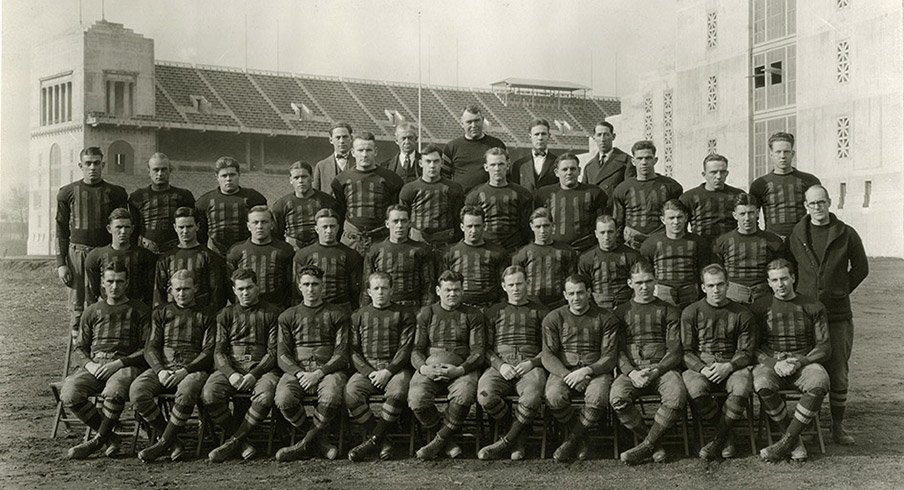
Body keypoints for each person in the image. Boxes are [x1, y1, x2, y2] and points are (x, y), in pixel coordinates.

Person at [787, 184, 868, 445]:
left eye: (821, 202)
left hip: (837, 315)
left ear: (829, 202)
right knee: (807, 365)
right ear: (805, 207)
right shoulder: (797, 234)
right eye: (812, 204)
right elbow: (788, 267)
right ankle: (806, 421)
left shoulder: (846, 233)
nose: (817, 208)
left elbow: (861, 268)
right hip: (805, 315)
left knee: (838, 369)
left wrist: (839, 290)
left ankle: (837, 425)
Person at [60, 262, 150, 459]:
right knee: (69, 393)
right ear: (102, 282)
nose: (115, 286)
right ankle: (110, 437)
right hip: (96, 365)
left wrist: (119, 363)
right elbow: (80, 348)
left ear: (127, 283)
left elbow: (146, 349)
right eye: (110, 281)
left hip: (124, 365)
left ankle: (97, 440)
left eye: (119, 281)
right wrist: (90, 365)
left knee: (113, 392)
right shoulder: (92, 311)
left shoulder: (140, 310)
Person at [751, 259, 831, 462]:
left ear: (793, 278)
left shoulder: (813, 305)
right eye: (775, 280)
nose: (780, 284)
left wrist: (798, 362)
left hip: (802, 362)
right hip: (773, 362)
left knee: (820, 380)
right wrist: (772, 363)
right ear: (768, 283)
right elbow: (752, 347)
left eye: (784, 278)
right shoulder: (760, 307)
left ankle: (786, 441)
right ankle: (794, 442)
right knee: (761, 383)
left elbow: (824, 346)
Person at [131, 270, 215, 462]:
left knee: (187, 391)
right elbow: (150, 347)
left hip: (192, 369)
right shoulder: (161, 313)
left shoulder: (207, 313)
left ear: (196, 289)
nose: (182, 293)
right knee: (137, 391)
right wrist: (160, 371)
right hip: (165, 368)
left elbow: (209, 351)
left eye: (186, 288)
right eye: (177, 289)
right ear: (170, 290)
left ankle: (162, 443)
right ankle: (173, 440)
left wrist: (185, 371)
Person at [611, 261, 687, 465]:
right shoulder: (620, 312)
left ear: (656, 282)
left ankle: (646, 446)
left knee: (676, 395)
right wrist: (631, 372)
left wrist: (657, 370)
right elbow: (617, 351)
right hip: (632, 370)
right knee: (617, 398)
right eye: (639, 282)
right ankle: (653, 443)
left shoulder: (669, 310)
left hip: (661, 368)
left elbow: (675, 350)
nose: (644, 287)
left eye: (648, 281)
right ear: (630, 283)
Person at [204, 268, 282, 463]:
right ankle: (241, 441)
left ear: (258, 287)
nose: (245, 293)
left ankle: (233, 442)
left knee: (265, 395)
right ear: (234, 290)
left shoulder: (272, 313)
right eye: (240, 289)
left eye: (249, 288)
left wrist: (254, 374)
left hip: (261, 367)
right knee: (209, 393)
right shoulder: (225, 314)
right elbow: (219, 350)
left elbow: (273, 351)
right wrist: (230, 374)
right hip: (232, 366)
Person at [541, 274, 619, 463]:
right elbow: (548, 355)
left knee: (598, 396)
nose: (577, 298)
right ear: (565, 295)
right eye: (572, 293)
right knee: (553, 396)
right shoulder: (553, 318)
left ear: (589, 293)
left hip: (595, 370)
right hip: (565, 370)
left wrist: (587, 371)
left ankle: (571, 440)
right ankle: (582, 438)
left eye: (581, 293)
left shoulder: (605, 317)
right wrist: (567, 375)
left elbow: (609, 356)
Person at [409, 270, 487, 460]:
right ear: (438, 290)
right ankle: (447, 441)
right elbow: (416, 349)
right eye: (448, 290)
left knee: (464, 395)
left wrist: (460, 370)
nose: (452, 294)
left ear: (462, 290)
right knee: (417, 399)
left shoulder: (473, 314)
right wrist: (423, 368)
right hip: (430, 367)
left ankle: (437, 442)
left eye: (457, 290)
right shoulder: (426, 313)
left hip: (460, 368)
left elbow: (478, 351)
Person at [274, 265, 349, 461]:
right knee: (283, 398)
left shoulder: (337, 313)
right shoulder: (287, 316)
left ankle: (303, 445)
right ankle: (319, 440)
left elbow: (341, 353)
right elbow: (282, 353)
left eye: (315, 284)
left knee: (332, 394)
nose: (310, 289)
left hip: (328, 370)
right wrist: (299, 373)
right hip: (298, 370)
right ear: (299, 287)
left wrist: (319, 373)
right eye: (306, 284)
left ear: (322, 286)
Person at [680, 264, 755, 460]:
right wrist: (702, 369)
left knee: (741, 386)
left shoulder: (741, 312)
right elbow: (686, 351)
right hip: (702, 365)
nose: (716, 290)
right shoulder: (691, 312)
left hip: (732, 364)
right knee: (694, 387)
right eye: (711, 285)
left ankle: (717, 438)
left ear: (728, 285)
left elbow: (747, 351)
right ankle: (725, 434)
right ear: (703, 287)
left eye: (720, 284)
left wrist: (729, 366)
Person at [476, 266, 549, 460]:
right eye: (511, 285)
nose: (516, 288)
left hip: (530, 365)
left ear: (527, 283)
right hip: (501, 365)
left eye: (519, 283)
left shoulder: (541, 312)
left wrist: (532, 363)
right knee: (484, 395)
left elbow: (550, 349)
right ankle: (517, 432)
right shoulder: (493, 312)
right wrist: (500, 365)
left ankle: (509, 441)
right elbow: (484, 348)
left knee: (532, 396)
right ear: (503, 286)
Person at [56, 147, 129, 333]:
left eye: (96, 163)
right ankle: (79, 350)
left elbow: (122, 226)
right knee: (78, 304)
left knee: (109, 299)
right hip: (77, 254)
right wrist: (61, 264)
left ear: (103, 165)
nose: (92, 167)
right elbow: (61, 229)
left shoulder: (116, 193)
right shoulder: (68, 192)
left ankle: (105, 345)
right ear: (81, 165)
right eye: (88, 163)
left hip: (106, 252)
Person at [344, 272, 417, 462]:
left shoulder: (404, 314)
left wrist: (388, 371)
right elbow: (353, 351)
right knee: (351, 393)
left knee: (399, 391)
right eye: (376, 288)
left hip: (395, 369)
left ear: (392, 290)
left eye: (385, 288)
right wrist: (370, 372)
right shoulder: (358, 316)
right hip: (367, 370)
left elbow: (405, 348)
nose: (381, 292)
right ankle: (383, 440)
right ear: (368, 291)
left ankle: (373, 440)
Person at [331, 132, 405, 256]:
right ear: (353, 152)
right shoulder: (341, 180)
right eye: (360, 150)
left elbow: (395, 210)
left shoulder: (391, 179)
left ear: (375, 151)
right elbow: (340, 211)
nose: (364, 155)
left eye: (368, 150)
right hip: (351, 241)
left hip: (381, 240)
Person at [713, 193, 784, 304]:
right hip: (733, 297)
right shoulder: (723, 242)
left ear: (757, 213)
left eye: (751, 213)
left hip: (764, 296)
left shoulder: (773, 241)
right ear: (735, 215)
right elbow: (717, 272)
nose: (747, 218)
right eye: (742, 214)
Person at [611, 140, 683, 249]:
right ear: (633, 161)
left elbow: (679, 218)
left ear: (655, 160)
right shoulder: (622, 189)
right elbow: (618, 222)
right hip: (633, 244)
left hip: (663, 243)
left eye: (648, 158)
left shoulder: (671, 186)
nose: (644, 162)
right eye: (639, 158)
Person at [154, 207, 227, 314]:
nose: (185, 231)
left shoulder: (209, 257)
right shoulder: (166, 259)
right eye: (181, 227)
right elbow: (159, 294)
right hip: (172, 318)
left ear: (197, 226)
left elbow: (217, 295)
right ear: (175, 227)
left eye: (189, 226)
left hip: (202, 317)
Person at [640, 200, 710, 309]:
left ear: (686, 217)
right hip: (662, 294)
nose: (676, 222)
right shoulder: (651, 244)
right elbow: (645, 273)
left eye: (679, 217)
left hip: (690, 294)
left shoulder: (698, 242)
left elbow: (704, 271)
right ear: (663, 220)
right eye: (671, 218)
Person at [749, 132, 821, 239]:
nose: (782, 156)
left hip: (803, 239)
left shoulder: (809, 180)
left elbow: (819, 210)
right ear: (771, 155)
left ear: (793, 153)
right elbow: (752, 215)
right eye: (778, 152)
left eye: (786, 152)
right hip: (772, 241)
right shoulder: (759, 184)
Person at [364, 205, 435, 308]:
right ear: (387, 224)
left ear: (409, 223)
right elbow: (366, 285)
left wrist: (425, 313)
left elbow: (428, 286)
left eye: (404, 221)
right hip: (383, 308)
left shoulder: (421, 250)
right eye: (395, 221)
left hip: (412, 308)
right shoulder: (375, 250)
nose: (400, 225)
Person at [534, 153, 608, 252]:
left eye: (573, 169)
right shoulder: (544, 194)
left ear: (579, 171)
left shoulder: (594, 193)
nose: (569, 173)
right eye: (564, 169)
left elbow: (603, 223)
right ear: (556, 172)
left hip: (586, 250)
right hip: (554, 251)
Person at [195, 156, 267, 256]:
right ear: (217, 177)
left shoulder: (254, 198)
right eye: (224, 176)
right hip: (217, 254)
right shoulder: (204, 202)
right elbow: (200, 236)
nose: (228, 179)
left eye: (232, 175)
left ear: (239, 175)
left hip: (247, 253)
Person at [293, 208, 364, 310]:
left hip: (342, 308)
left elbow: (355, 290)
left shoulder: (351, 255)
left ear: (338, 228)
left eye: (332, 226)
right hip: (312, 308)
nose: (329, 231)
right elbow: (296, 290)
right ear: (317, 229)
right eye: (324, 227)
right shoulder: (303, 255)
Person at [464, 147, 533, 253]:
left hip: (514, 250)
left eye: (501, 164)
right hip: (485, 250)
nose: (497, 169)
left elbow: (527, 228)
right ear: (486, 167)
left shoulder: (522, 194)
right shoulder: (474, 195)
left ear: (508, 165)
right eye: (493, 165)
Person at [84, 208, 156, 308]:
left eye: (127, 227)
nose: (123, 231)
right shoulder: (95, 256)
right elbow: (92, 293)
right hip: (106, 310)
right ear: (109, 229)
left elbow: (149, 292)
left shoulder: (145, 256)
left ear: (132, 229)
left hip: (136, 311)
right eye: (119, 227)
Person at [226, 206, 295, 309]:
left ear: (272, 225)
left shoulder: (285, 250)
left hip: (277, 308)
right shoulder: (236, 251)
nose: (259, 226)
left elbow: (291, 283)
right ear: (248, 226)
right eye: (255, 222)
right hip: (245, 310)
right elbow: (229, 284)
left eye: (264, 222)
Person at [442, 205, 509, 309]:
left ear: (484, 226)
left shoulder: (497, 252)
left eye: (477, 226)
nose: (473, 230)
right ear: (462, 227)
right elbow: (442, 284)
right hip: (459, 309)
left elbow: (503, 286)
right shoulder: (450, 252)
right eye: (469, 226)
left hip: (489, 308)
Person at [398, 144, 465, 246]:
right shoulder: (409, 189)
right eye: (428, 161)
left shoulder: (453, 188)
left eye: (436, 161)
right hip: (417, 242)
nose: (432, 165)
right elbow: (403, 217)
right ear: (420, 163)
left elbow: (458, 219)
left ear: (442, 163)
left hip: (445, 243)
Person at [128, 152, 196, 254]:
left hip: (175, 251)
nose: (160, 174)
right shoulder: (137, 197)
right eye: (156, 170)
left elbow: (191, 225)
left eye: (164, 169)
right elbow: (133, 229)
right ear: (149, 171)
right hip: (145, 251)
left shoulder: (183, 196)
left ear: (170, 170)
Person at [511, 207, 578, 308]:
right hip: (531, 306)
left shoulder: (566, 251)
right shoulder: (521, 254)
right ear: (531, 226)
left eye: (546, 226)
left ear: (553, 226)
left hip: (559, 305)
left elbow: (572, 279)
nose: (542, 230)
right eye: (538, 226)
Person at [271, 161, 342, 251]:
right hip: (293, 251)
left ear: (312, 178)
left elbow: (338, 228)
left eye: (304, 177)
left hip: (321, 250)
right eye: (296, 178)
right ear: (290, 180)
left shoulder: (327, 202)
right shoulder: (281, 205)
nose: (300, 181)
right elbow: (277, 235)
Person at [578, 215, 641, 311]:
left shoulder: (631, 255)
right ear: (596, 234)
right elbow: (584, 287)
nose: (606, 237)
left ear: (617, 232)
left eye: (610, 232)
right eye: (602, 232)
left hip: (627, 305)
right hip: (598, 307)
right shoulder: (587, 258)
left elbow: (639, 282)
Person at [678, 153, 744, 243]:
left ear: (727, 173)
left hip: (731, 246)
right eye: (713, 172)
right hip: (700, 247)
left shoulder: (737, 195)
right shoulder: (689, 197)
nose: (718, 176)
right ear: (704, 174)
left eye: (722, 172)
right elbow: (681, 228)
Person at [443, 105, 507, 193]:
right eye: (469, 122)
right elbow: (444, 178)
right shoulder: (451, 147)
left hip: (489, 200)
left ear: (483, 120)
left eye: (477, 121)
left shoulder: (496, 145)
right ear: (462, 123)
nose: (474, 125)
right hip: (461, 202)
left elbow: (506, 174)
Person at [581, 121, 635, 197]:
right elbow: (584, 194)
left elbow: (630, 192)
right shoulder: (589, 167)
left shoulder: (626, 161)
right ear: (594, 138)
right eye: (599, 135)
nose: (602, 139)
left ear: (613, 136)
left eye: (606, 134)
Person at [511, 119, 558, 193]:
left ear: (549, 136)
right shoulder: (519, 165)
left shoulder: (558, 162)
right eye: (536, 134)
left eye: (543, 134)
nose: (540, 138)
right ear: (530, 136)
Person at [313, 122, 355, 195]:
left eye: (345, 137)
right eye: (338, 137)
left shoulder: (359, 164)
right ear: (331, 140)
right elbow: (315, 195)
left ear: (351, 138)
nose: (341, 141)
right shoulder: (321, 166)